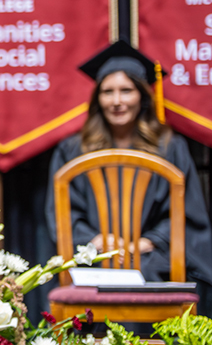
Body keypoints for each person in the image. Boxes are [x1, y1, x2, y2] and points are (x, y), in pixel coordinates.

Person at [46, 41, 212, 313]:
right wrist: (100, 242)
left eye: (126, 91)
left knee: (149, 269)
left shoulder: (169, 147)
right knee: (89, 269)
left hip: (151, 254)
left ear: (142, 96)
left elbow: (186, 213)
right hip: (94, 255)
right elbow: (63, 215)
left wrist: (148, 242)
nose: (117, 101)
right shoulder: (73, 150)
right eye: (108, 92)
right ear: (97, 98)